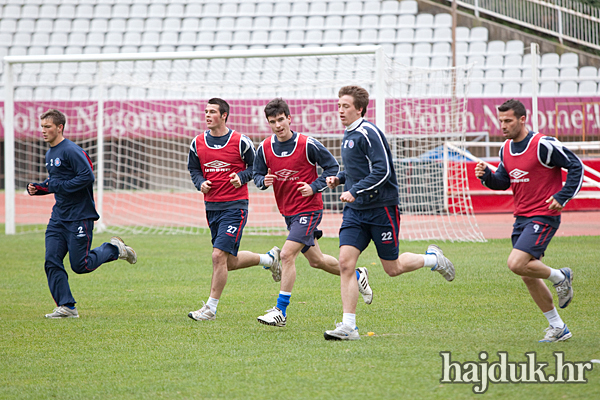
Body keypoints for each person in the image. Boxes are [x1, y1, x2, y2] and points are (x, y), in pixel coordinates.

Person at [324, 86, 455, 341]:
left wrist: (356, 190)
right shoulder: (348, 133)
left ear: (359, 108)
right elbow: (357, 169)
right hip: (355, 211)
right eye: (338, 105)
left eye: (345, 106)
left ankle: (433, 259)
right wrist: (340, 179)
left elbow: (383, 171)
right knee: (345, 263)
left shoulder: (369, 132)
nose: (340, 110)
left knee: (392, 268)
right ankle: (349, 327)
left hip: (380, 209)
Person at [253, 98, 373, 327]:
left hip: (309, 209)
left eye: (281, 119)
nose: (278, 125)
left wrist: (314, 186)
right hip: (288, 212)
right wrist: (263, 180)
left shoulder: (308, 144)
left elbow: (332, 167)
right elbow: (258, 174)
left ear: (289, 118)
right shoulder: (265, 147)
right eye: (273, 122)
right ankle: (358, 276)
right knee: (317, 261)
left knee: (287, 254)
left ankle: (281, 311)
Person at [475, 99, 583, 343]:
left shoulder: (543, 144)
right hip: (522, 217)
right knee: (527, 274)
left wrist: (563, 196)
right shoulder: (505, 148)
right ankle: (558, 327)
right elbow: (504, 181)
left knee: (515, 263)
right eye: (500, 120)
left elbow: (576, 167)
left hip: (544, 215)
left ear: (522, 120)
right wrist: (487, 176)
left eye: (508, 121)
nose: (503, 125)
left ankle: (560, 277)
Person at [28, 109, 137, 319]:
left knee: (81, 266)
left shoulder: (71, 150)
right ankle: (67, 306)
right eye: (42, 126)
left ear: (60, 127)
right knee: (51, 260)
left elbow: (87, 177)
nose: (43, 131)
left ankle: (114, 249)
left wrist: (57, 185)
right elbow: (56, 183)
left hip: (80, 216)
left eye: (47, 126)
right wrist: (40, 188)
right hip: (58, 217)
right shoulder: (49, 153)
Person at [187, 98, 282, 322]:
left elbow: (256, 168)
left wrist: (241, 176)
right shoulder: (197, 142)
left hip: (235, 207)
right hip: (212, 207)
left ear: (224, 115)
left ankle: (210, 308)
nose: (207, 115)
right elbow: (193, 168)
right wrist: (200, 182)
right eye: (206, 111)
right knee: (227, 262)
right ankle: (268, 259)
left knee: (217, 256)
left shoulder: (241, 142)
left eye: (212, 112)